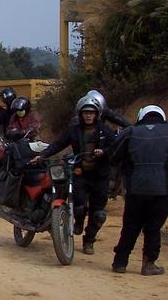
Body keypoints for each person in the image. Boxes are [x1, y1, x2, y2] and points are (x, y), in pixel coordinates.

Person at [109, 105, 168, 275]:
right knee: (153, 227)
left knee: (130, 226)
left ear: (141, 117)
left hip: (136, 188)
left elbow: (114, 155)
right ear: (162, 116)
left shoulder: (129, 132)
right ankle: (149, 264)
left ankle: (120, 263)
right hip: (161, 189)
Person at [35, 94, 116, 254]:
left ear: (97, 114)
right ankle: (78, 222)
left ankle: (89, 240)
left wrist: (104, 152)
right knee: (78, 206)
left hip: (100, 176)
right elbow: (58, 144)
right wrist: (43, 154)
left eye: (91, 112)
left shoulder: (106, 131)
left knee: (98, 213)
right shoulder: (74, 131)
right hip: (80, 172)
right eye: (85, 112)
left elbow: (116, 147)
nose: (88, 115)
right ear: (80, 113)